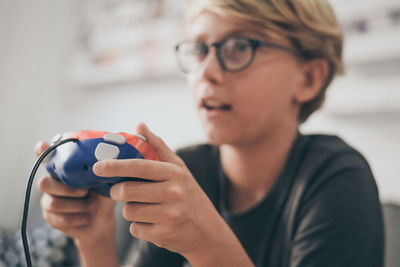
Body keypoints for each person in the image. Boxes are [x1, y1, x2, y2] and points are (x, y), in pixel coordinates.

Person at [35, 0, 384, 266]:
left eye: (239, 48)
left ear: (308, 79)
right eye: (199, 50)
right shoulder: (185, 170)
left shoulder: (338, 177)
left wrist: (205, 244)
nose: (207, 72)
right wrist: (94, 241)